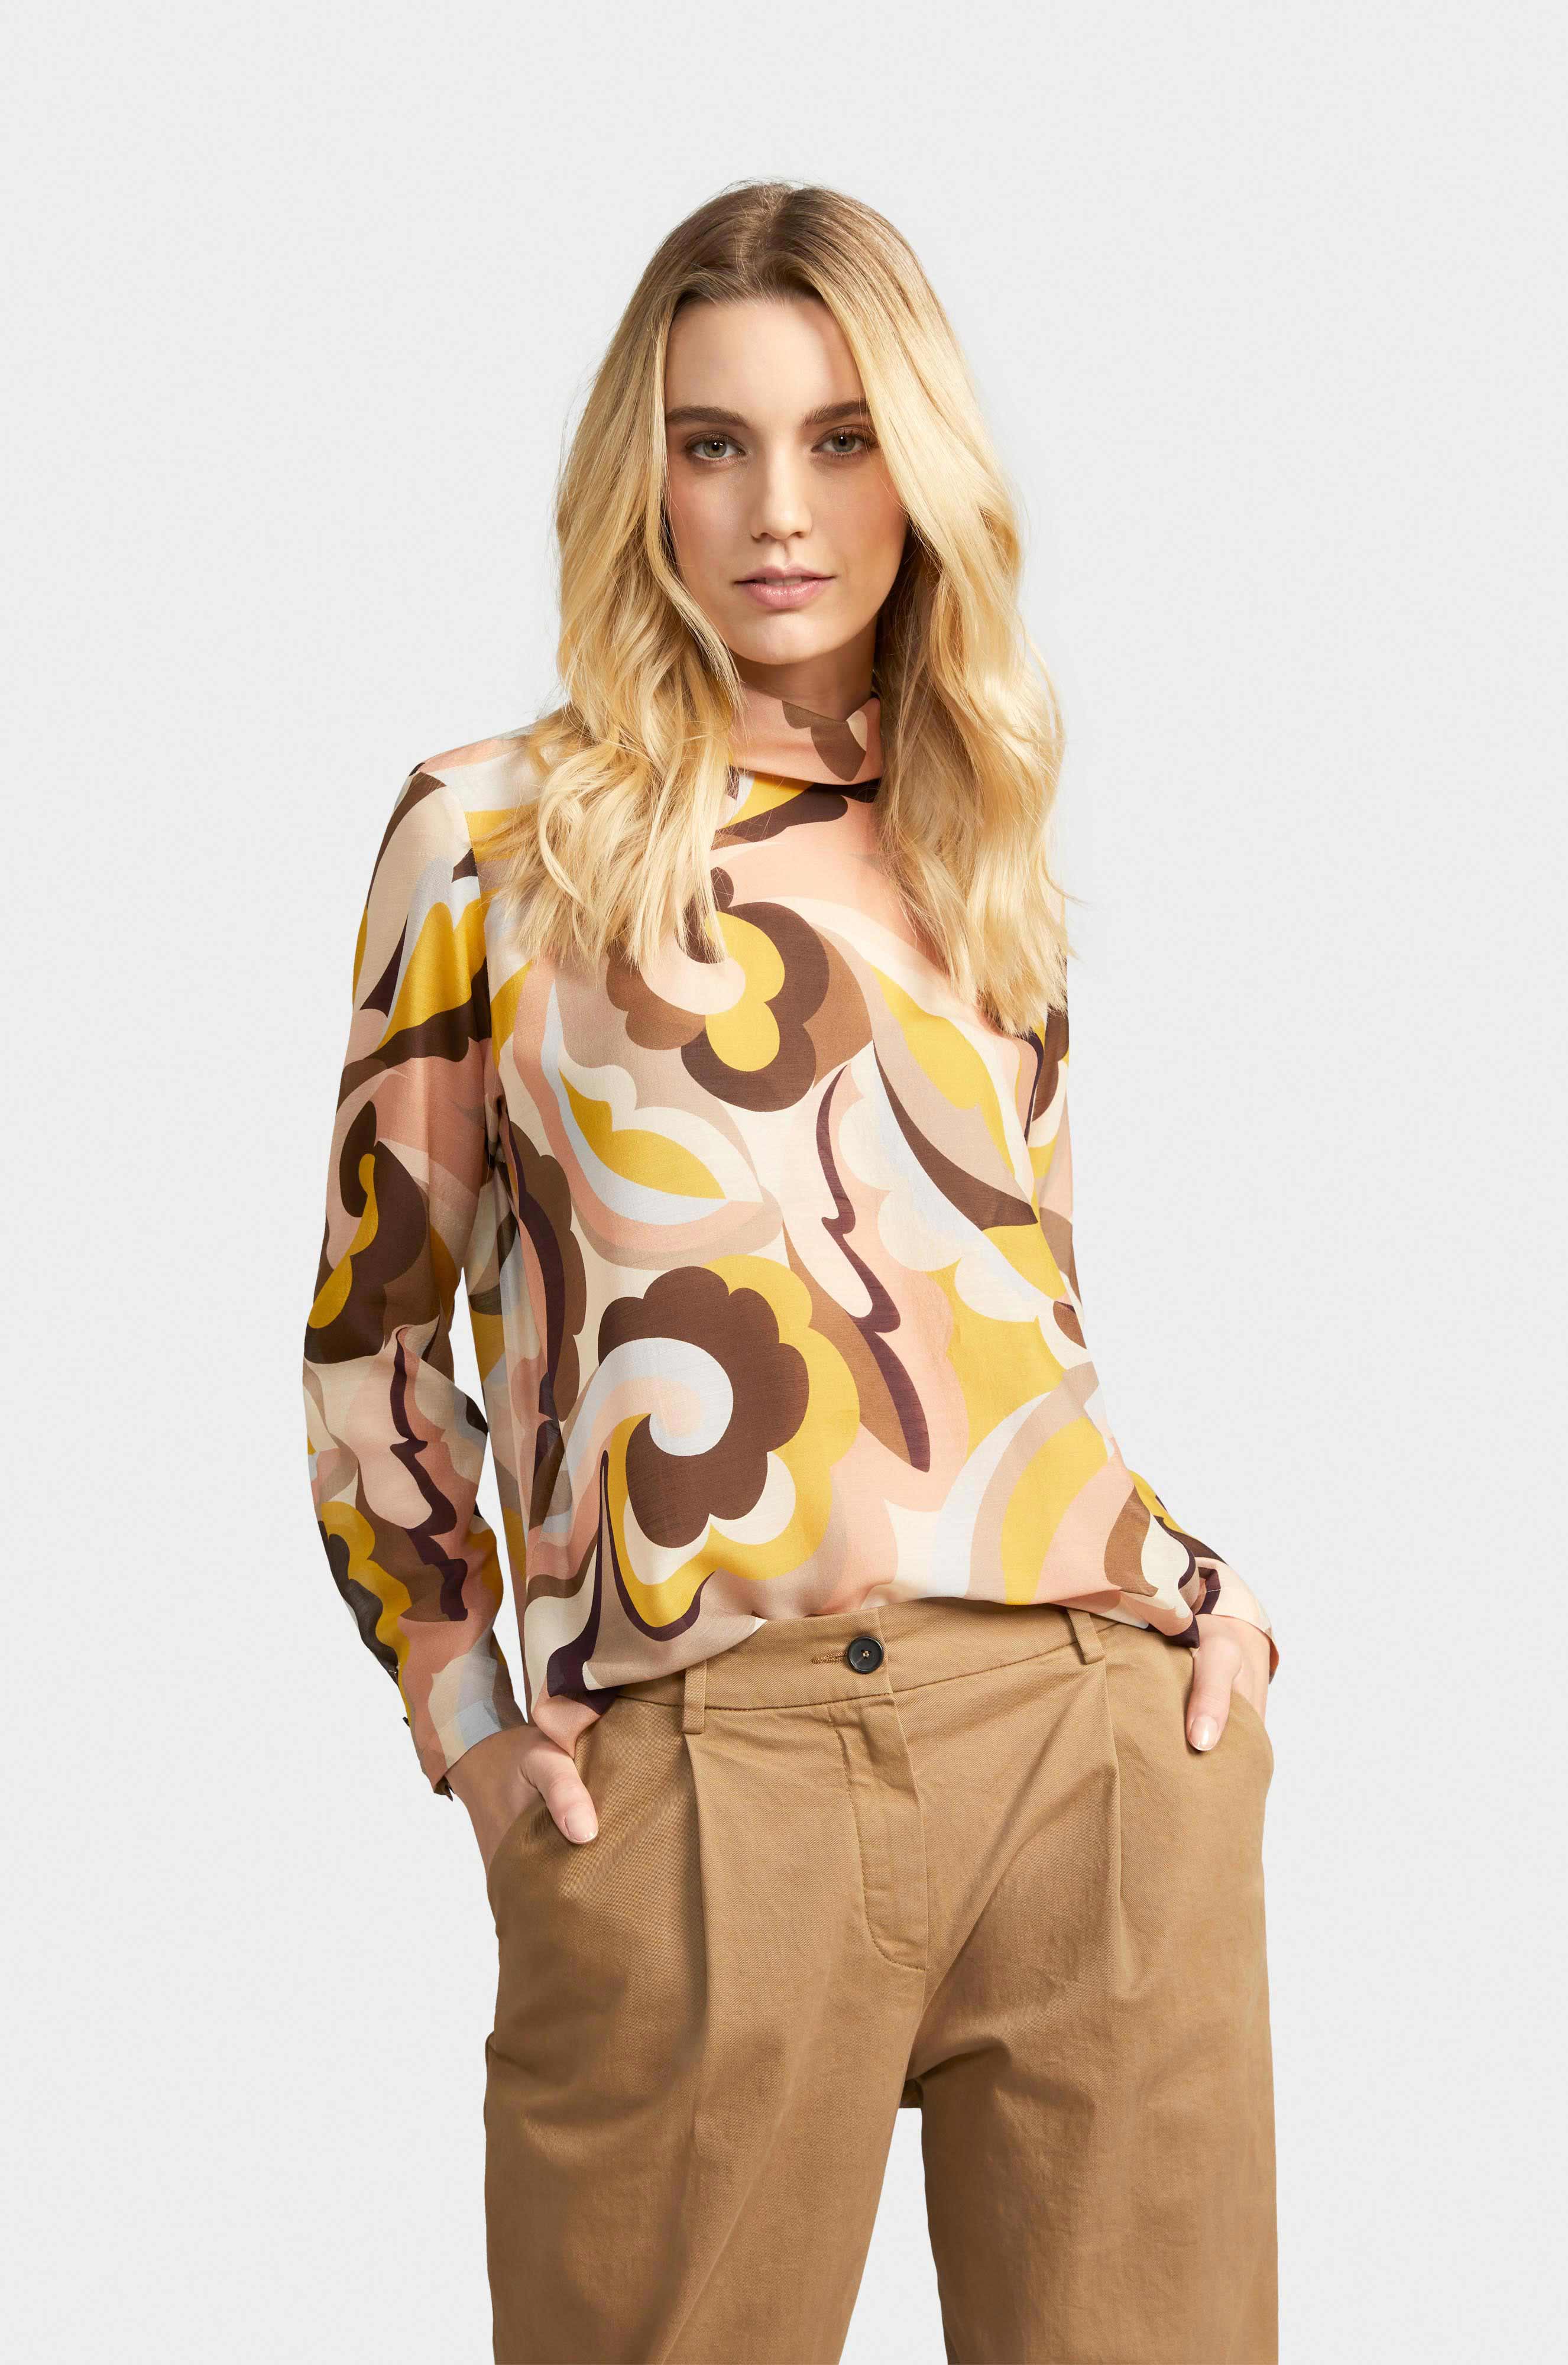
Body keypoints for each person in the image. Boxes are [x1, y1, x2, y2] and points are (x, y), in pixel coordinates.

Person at [302, 179, 1279, 2365]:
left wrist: (1197, 1603)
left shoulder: (970, 829)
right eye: (712, 440)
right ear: (636, 474)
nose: (777, 508)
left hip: (1088, 1745)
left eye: (841, 439)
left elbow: (1007, 1325)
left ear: (918, 473)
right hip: (704, 1770)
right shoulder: (490, 835)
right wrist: (470, 1727)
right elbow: (373, 1345)